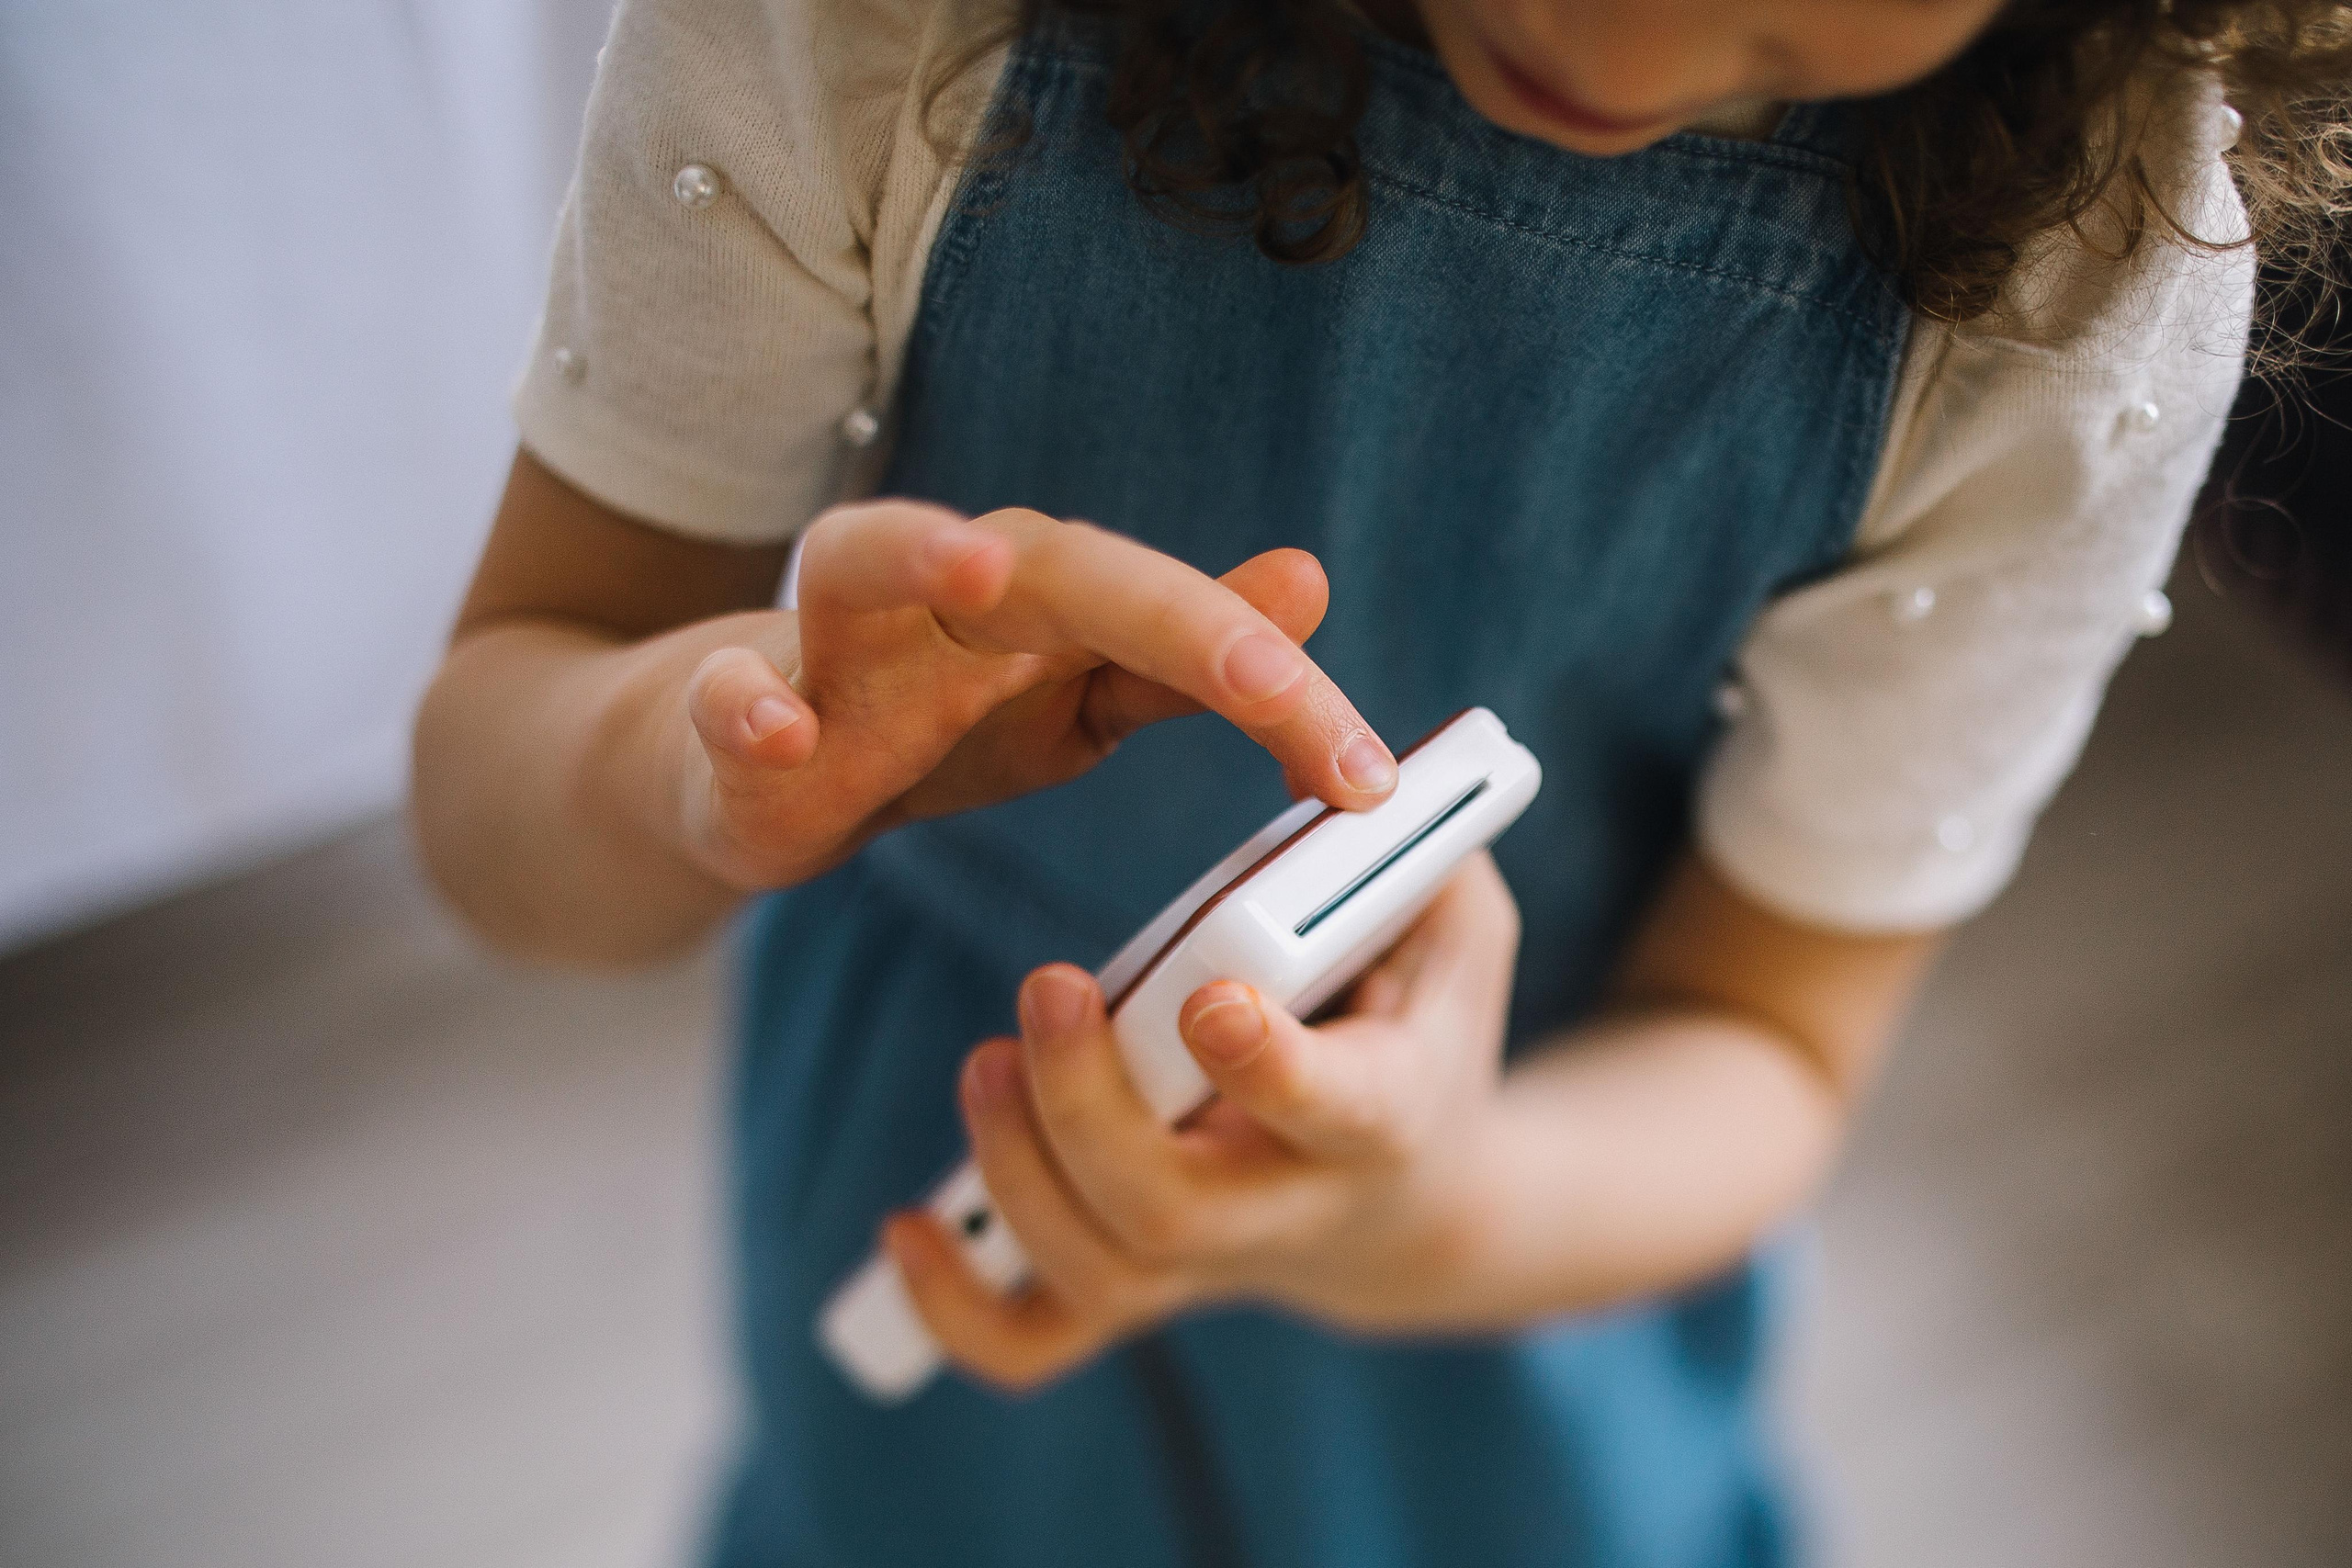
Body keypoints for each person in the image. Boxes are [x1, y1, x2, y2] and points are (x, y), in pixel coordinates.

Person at [410, 1, 2347, 1562]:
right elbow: (496, 804)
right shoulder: (875, 35)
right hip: (919, 1206)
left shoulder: (2082, 280)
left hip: (1526, 1335)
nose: (1613, 41)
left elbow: (1769, 1044)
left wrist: (1435, 1209)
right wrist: (711, 778)